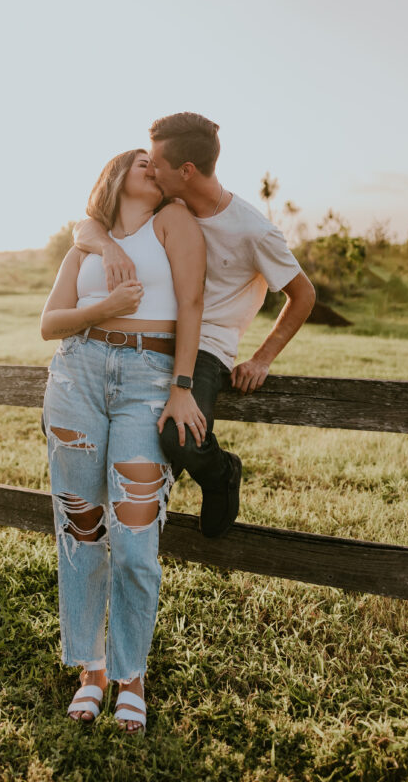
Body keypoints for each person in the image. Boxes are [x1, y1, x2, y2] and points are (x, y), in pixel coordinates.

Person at [74, 112, 316, 539]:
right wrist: (109, 248)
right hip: (154, 335)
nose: (151, 170)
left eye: (157, 163)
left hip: (207, 346)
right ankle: (136, 517)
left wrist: (261, 358)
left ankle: (222, 473)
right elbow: (90, 219)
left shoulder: (254, 231)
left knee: (179, 438)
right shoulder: (170, 203)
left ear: (185, 171)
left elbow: (304, 295)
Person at [40, 148, 206, 733]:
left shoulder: (174, 221)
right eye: (136, 157)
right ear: (114, 175)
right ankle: (93, 670)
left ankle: (132, 674)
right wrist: (105, 299)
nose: (148, 163)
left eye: (153, 159)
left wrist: (182, 385)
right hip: (76, 374)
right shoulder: (88, 240)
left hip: (148, 378)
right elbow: (49, 322)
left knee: (136, 538)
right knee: (81, 524)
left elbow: (191, 304)